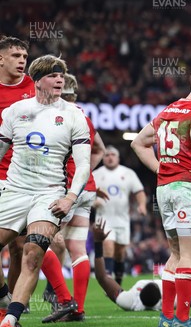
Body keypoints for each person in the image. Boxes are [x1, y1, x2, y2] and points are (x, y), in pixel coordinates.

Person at [0, 55, 91, 327]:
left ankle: (11, 319)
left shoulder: (75, 115)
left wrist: (70, 198)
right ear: (38, 80)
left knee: (33, 253)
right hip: (14, 190)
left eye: (62, 75)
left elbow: (84, 165)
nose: (60, 79)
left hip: (49, 195)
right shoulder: (15, 111)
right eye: (53, 75)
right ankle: (5, 297)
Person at [131, 75, 191, 327]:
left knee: (175, 254)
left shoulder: (167, 111)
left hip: (165, 189)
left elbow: (138, 143)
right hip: (188, 189)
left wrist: (161, 169)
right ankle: (183, 319)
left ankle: (166, 318)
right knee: (189, 254)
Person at [39, 73, 107, 323]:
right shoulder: (83, 115)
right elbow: (100, 148)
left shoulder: (52, 114)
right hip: (86, 188)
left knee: (36, 240)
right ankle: (77, 309)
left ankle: (64, 299)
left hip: (66, 189)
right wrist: (86, 169)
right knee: (78, 249)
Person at [92, 219, 191, 312]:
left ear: (139, 294)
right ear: (161, 298)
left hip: (163, 287)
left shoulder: (129, 301)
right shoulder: (169, 301)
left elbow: (102, 277)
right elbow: (189, 298)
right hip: (171, 288)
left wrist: (98, 243)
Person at [0, 36, 33, 319]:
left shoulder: (34, 89)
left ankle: (8, 312)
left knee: (19, 246)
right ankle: (2, 298)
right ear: (1, 59)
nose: (22, 60)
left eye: (24, 55)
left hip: (21, 178)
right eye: (15, 55)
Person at [93, 145, 147, 285]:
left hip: (122, 218)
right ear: (103, 158)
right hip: (104, 217)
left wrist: (142, 205)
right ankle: (109, 280)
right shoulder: (96, 174)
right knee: (108, 245)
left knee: (120, 252)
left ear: (118, 157)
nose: (110, 157)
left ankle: (118, 280)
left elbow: (139, 191)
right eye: (107, 155)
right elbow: (86, 192)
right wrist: (93, 202)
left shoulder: (128, 173)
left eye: (112, 155)